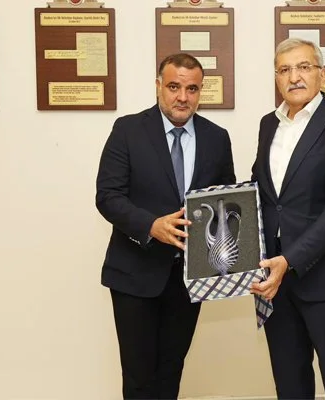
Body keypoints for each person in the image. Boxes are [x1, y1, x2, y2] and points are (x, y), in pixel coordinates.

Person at [96, 53, 235, 399]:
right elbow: (108, 196)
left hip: (189, 278)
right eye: (174, 87)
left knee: (171, 370)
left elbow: (227, 203)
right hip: (135, 274)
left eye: (192, 89)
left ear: (200, 91)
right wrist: (150, 226)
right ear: (159, 86)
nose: (182, 97)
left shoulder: (217, 138)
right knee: (139, 376)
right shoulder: (128, 130)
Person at [251, 38, 325, 399]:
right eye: (284, 70)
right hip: (275, 279)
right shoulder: (268, 125)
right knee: (289, 382)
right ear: (276, 78)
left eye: (304, 67)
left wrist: (289, 260)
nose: (294, 77)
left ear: (322, 74)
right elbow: (262, 195)